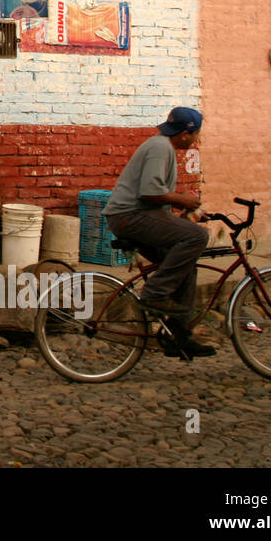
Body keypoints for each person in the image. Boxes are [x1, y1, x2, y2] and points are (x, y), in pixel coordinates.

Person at [104, 107, 217, 358]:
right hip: (129, 216)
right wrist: (183, 200)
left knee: (186, 264)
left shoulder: (163, 146)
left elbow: (157, 198)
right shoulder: (160, 148)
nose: (196, 139)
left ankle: (180, 336)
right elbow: (150, 192)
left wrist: (185, 209)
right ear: (187, 134)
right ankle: (155, 293)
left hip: (138, 215)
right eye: (197, 134)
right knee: (197, 237)